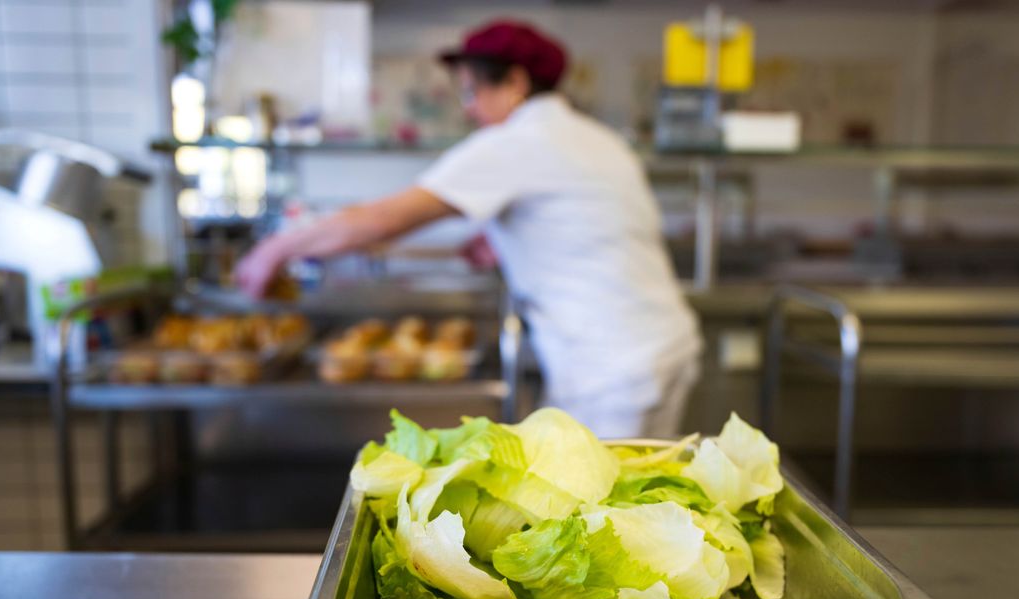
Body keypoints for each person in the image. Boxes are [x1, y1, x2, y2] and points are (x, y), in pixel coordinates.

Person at [235, 20, 702, 438]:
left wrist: (275, 249)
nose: (470, 109)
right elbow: (588, 227)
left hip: (610, 368)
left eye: (472, 92)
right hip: (664, 344)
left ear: (515, 82)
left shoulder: (514, 142)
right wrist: (508, 240)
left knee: (596, 500)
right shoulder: (594, 137)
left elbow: (384, 219)